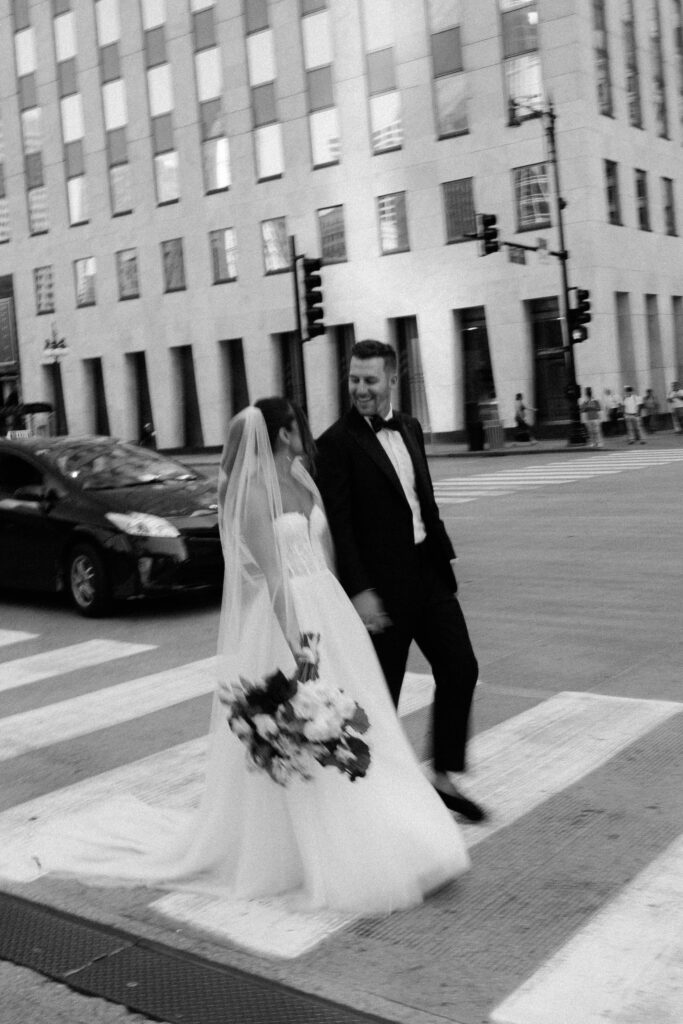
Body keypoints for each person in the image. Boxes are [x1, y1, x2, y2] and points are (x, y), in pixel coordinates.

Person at [0, 398, 469, 917]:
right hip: (289, 616)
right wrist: (301, 646)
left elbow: (327, 548)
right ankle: (304, 847)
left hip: (327, 605)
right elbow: (270, 580)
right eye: (297, 426)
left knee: (362, 722)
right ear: (284, 433)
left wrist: (347, 609)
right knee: (311, 727)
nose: (304, 433)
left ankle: (376, 824)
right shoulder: (253, 498)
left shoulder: (301, 475)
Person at [316, 340, 485, 823]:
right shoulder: (335, 444)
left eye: (370, 380)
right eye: (354, 380)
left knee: (461, 667)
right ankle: (369, 798)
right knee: (379, 699)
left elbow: (420, 498)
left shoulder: (409, 425)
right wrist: (360, 591)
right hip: (380, 592)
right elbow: (341, 527)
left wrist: (441, 555)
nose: (361, 389)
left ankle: (442, 774)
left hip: (428, 574)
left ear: (392, 379)